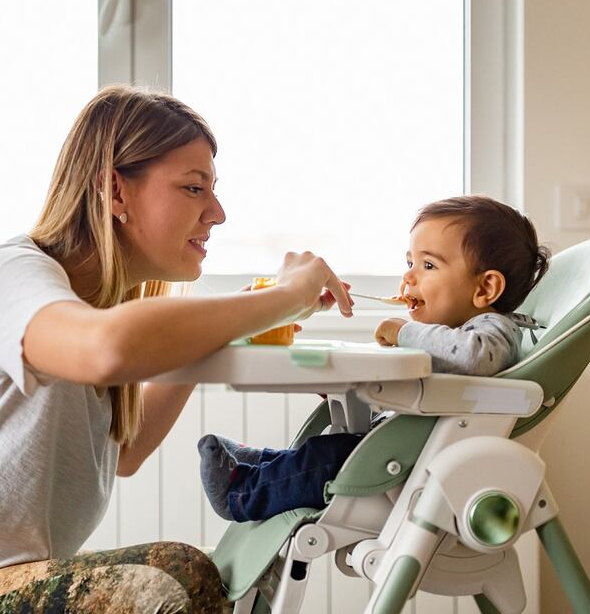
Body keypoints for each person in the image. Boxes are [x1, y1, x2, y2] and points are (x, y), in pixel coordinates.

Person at [0, 86, 353, 614]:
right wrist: (286, 297)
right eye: (194, 189)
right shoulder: (13, 275)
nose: (217, 212)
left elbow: (126, 450)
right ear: (115, 192)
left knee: (230, 572)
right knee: (175, 578)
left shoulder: (96, 305)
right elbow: (108, 348)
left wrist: (227, 325)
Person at [198, 196, 550, 523]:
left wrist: (403, 332)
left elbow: (475, 358)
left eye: (428, 265)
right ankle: (259, 463)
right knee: (323, 452)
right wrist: (360, 389)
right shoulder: (443, 340)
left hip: (419, 468)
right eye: (410, 262)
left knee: (331, 459)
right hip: (399, 451)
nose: (409, 276)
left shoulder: (495, 329)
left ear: (485, 289)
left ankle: (243, 493)